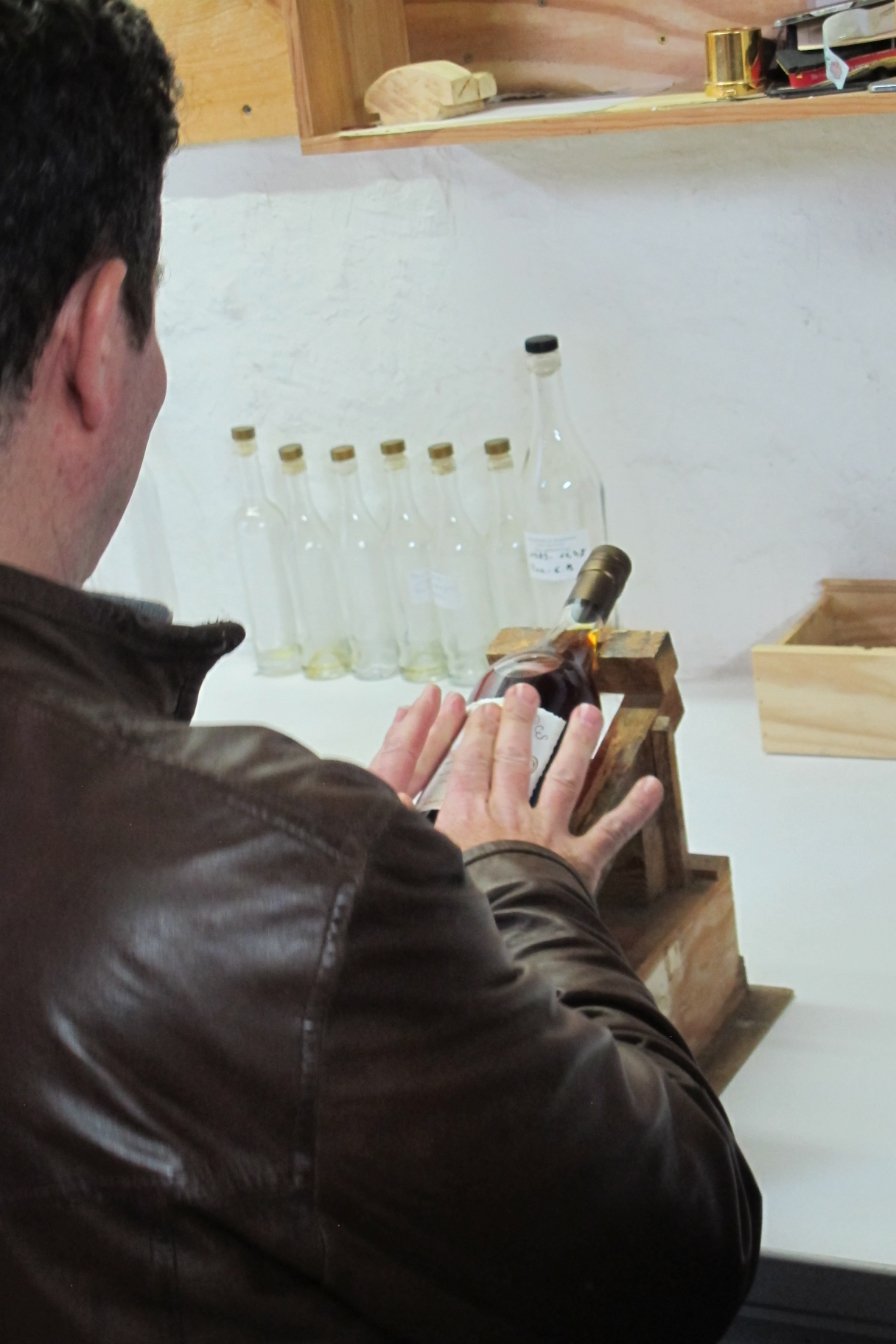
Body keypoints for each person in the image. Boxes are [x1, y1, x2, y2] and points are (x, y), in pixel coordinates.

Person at [0, 2, 760, 1340]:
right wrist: (503, 882)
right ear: (94, 338)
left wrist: (273, 868)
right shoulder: (280, 880)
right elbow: (679, 1245)